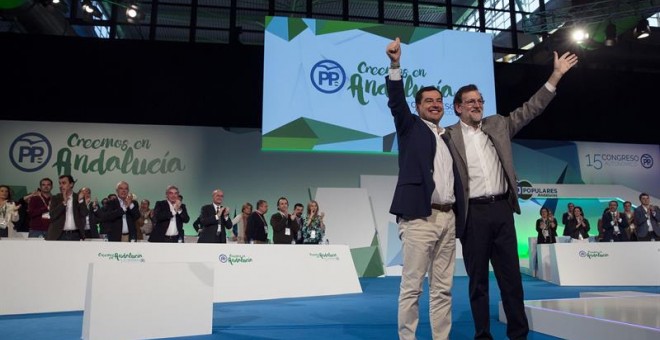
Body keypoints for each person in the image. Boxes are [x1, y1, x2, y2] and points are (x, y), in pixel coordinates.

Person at [445, 49, 578, 339]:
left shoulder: (498, 125)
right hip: (473, 216)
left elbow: (532, 108)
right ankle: (483, 335)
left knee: (511, 280)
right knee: (478, 281)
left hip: (502, 211)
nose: (477, 105)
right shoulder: (447, 136)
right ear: (457, 108)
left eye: (480, 101)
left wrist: (555, 76)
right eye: (470, 102)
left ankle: (518, 334)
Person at [385, 37, 460, 340]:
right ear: (418, 107)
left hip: (449, 218)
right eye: (428, 101)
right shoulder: (410, 126)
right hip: (419, 216)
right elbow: (395, 100)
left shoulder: (449, 136)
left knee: (443, 288)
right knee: (412, 285)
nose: (435, 104)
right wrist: (394, 65)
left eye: (439, 100)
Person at [46, 175, 88, 241]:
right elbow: (52, 215)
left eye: (64, 183)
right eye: (60, 183)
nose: (61, 185)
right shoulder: (56, 198)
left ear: (71, 184)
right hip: (58, 235)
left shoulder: (78, 197)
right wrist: (64, 203)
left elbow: (84, 213)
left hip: (75, 235)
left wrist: (80, 200)